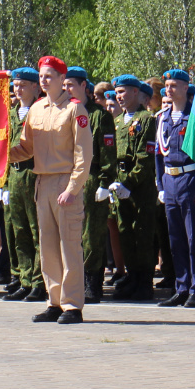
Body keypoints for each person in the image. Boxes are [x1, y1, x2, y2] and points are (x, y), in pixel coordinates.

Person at [8, 55, 92, 324]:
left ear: (61, 80)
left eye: (49, 76)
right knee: (48, 248)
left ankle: (72, 305)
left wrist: (73, 188)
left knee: (69, 246)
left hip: (65, 182)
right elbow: (26, 148)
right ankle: (53, 301)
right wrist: (1, 154)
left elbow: (83, 154)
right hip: (42, 182)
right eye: (41, 76)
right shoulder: (37, 109)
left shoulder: (75, 109)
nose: (44, 81)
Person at [66, 67, 117, 304]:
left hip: (92, 178)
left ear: (84, 86)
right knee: (69, 233)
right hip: (67, 179)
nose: (67, 89)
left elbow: (107, 152)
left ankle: (92, 283)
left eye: (71, 85)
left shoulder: (99, 115)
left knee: (92, 234)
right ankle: (73, 281)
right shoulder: (63, 112)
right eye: (64, 85)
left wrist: (106, 182)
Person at [156, 68, 195, 307]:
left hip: (189, 179)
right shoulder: (161, 117)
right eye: (167, 85)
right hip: (170, 180)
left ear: (186, 87)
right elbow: (158, 154)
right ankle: (181, 287)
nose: (169, 89)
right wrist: (159, 184)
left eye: (174, 85)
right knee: (175, 239)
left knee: (193, 238)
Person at [109, 74, 157, 301]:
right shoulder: (118, 122)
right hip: (120, 185)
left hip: (139, 187)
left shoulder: (146, 119)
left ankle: (144, 282)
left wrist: (129, 182)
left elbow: (145, 157)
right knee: (125, 232)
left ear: (136, 92)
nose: (119, 97)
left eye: (123, 92)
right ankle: (132, 276)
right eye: (117, 92)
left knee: (142, 234)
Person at [3, 67, 46, 302]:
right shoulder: (11, 113)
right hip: (14, 176)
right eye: (15, 86)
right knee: (18, 231)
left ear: (35, 88)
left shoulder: (41, 112)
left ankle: (39, 282)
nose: (17, 90)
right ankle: (24, 278)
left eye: (23, 85)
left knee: (36, 230)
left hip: (33, 173)